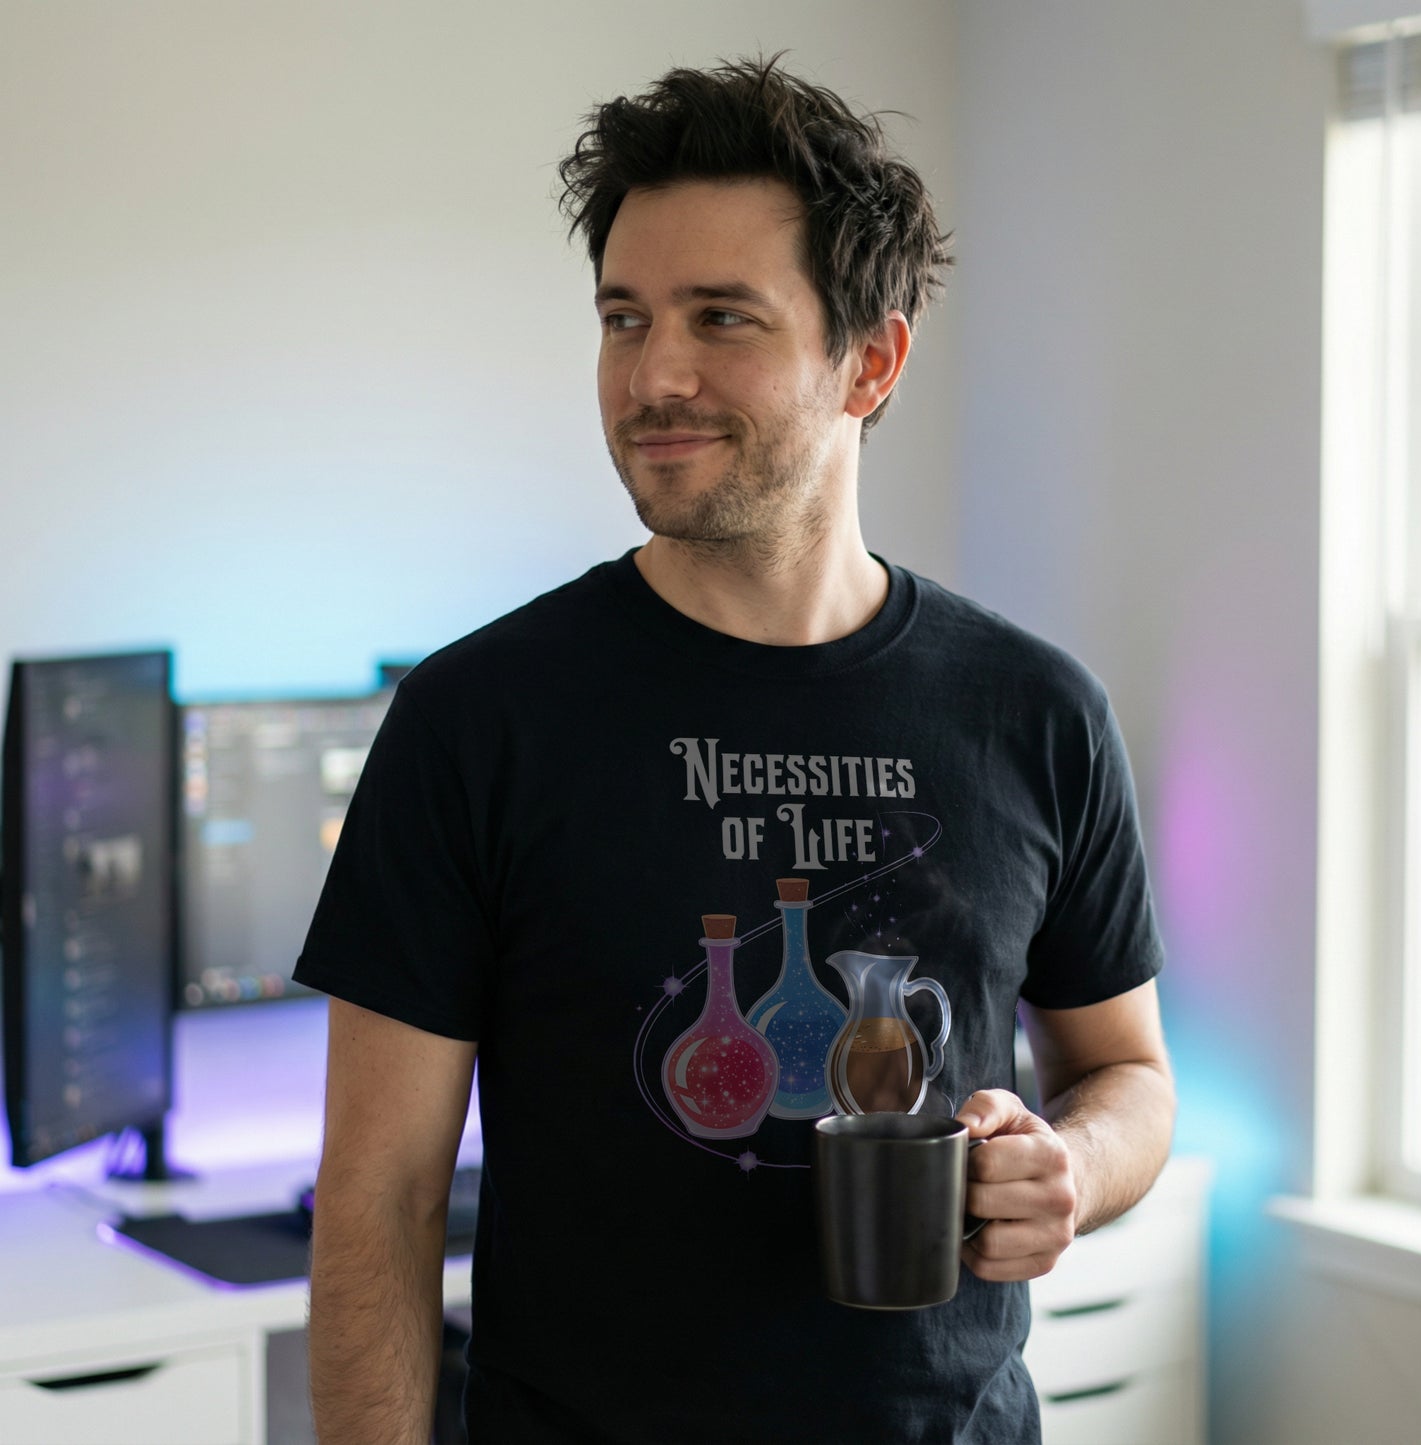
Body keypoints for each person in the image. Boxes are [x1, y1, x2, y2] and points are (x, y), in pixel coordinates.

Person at [296, 55, 1175, 1445]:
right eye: (623, 317)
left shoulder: (1035, 710)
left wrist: (1067, 1160)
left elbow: (1125, 1069)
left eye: (722, 319)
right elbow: (377, 1197)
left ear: (869, 362)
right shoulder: (480, 717)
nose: (654, 375)